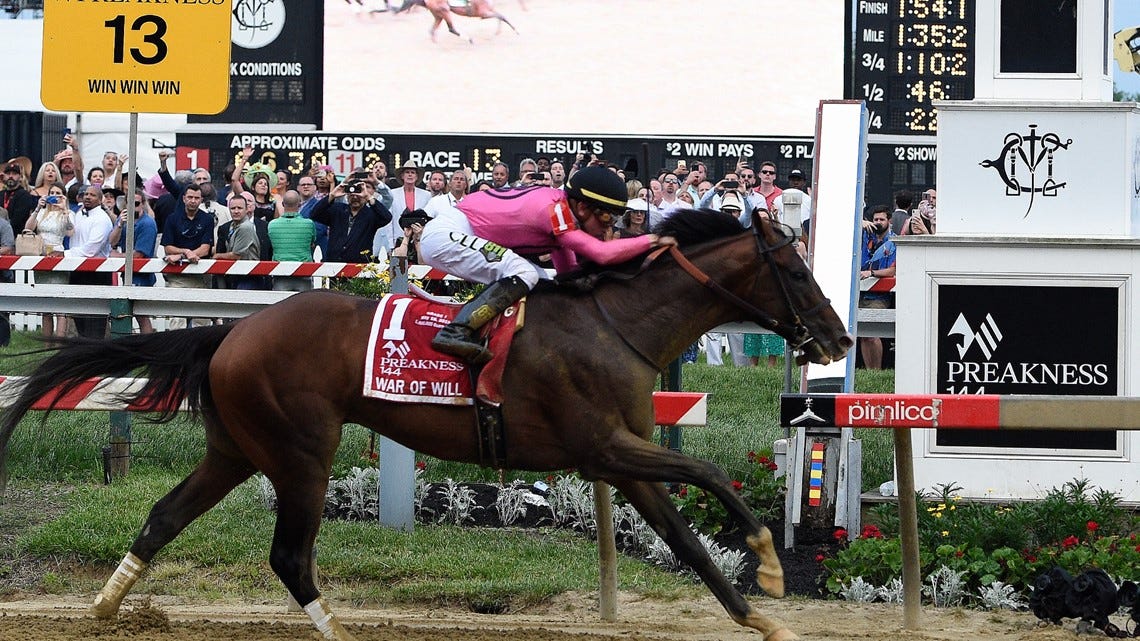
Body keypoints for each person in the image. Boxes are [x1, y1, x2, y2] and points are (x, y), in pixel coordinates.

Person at [419, 166, 677, 364]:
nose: (609, 226)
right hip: (448, 232)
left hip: (463, 232)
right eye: (607, 217)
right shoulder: (555, 210)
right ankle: (455, 332)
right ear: (584, 207)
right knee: (525, 272)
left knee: (541, 279)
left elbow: (567, 276)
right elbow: (601, 254)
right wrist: (652, 240)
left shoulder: (563, 214)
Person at [161, 184, 215, 328]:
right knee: (177, 320)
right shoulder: (172, 219)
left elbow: (205, 249)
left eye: (196, 198)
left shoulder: (208, 219)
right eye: (190, 197)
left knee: (202, 321)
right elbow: (167, 248)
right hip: (177, 277)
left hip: (200, 276)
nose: (193, 200)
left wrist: (184, 255)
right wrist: (185, 252)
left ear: (201, 200)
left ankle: (201, 351)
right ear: (184, 198)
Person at [24, 182, 73, 337]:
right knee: (45, 306)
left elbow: (71, 231)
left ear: (63, 196)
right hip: (41, 255)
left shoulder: (67, 213)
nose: (55, 196)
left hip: (58, 255)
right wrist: (38, 207)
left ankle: (59, 343)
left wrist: (64, 209)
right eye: (52, 193)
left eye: (58, 193)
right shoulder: (42, 212)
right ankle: (47, 343)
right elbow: (28, 228)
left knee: (60, 305)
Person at [67, 185, 114, 338]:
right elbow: (71, 236)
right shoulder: (79, 214)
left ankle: (96, 354)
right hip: (77, 271)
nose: (87, 197)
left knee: (95, 320)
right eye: (86, 194)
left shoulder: (102, 219)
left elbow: (91, 250)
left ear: (100, 200)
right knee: (79, 317)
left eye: (92, 195)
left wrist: (65, 254)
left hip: (96, 273)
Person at [310, 179, 393, 263]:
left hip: (359, 266)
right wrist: (332, 195)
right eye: (351, 195)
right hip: (334, 263)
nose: (355, 197)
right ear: (347, 195)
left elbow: (387, 217)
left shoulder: (371, 214)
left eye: (359, 194)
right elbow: (314, 214)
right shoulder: (338, 210)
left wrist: (368, 196)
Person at [109, 194, 157, 333]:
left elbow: (139, 255)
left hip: (141, 274)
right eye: (129, 203)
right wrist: (119, 225)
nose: (133, 206)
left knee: (141, 314)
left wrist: (117, 256)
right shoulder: (122, 219)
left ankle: (146, 344)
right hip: (126, 272)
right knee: (127, 311)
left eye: (136, 203)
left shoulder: (147, 224)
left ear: (143, 203)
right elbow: (111, 242)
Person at [858, 205, 897, 370]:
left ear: (889, 221)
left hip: (880, 296)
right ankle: (869, 371)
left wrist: (872, 273)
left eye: (882, 219)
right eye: (875, 220)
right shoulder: (866, 237)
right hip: (860, 294)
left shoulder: (895, 241)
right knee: (864, 335)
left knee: (872, 333)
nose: (878, 223)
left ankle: (876, 370)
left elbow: (893, 270)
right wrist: (860, 223)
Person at [268, 190, 317, 292]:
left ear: (282, 204)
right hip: (304, 273)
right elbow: (312, 242)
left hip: (281, 273)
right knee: (304, 305)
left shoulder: (272, 225)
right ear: (299, 204)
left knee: (281, 305)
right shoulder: (308, 224)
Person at [213, 195, 262, 290]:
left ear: (247, 209)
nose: (236, 211)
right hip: (237, 274)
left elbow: (236, 255)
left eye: (239, 208)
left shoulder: (245, 227)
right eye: (233, 208)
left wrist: (217, 256)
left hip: (248, 276)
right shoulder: (232, 225)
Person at [2, 161, 39, 234]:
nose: (10, 176)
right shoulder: (1, 194)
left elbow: (17, 220)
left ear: (20, 177)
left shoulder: (24, 195)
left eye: (14, 174)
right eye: (8, 173)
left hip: (16, 235)